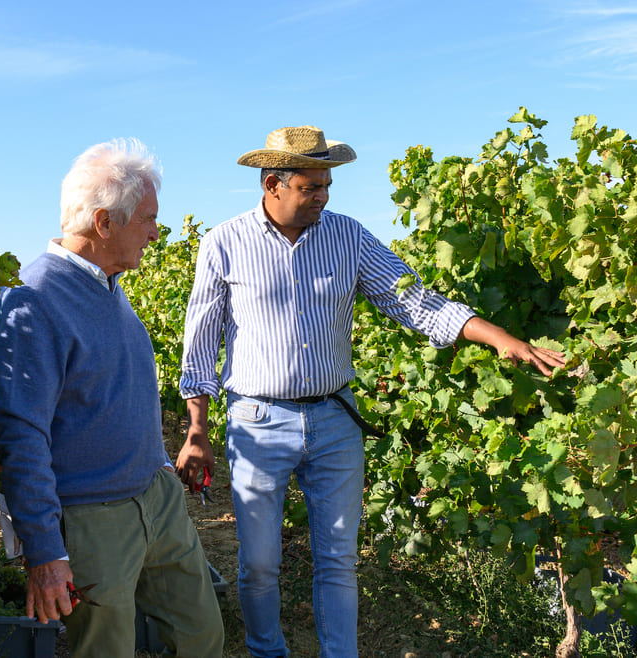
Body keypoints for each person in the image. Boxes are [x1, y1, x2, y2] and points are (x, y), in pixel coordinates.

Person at [175, 125, 566, 657]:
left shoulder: (348, 236)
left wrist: (498, 338)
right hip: (257, 421)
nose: (323, 197)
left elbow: (414, 301)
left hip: (336, 419)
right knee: (260, 561)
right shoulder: (224, 243)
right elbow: (200, 340)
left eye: (327, 185)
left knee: (338, 557)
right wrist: (197, 428)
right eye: (311, 187)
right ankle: (267, 650)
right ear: (273, 184)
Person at [0, 138, 224, 657]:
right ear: (103, 223)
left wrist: (159, 465)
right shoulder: (35, 298)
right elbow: (22, 433)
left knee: (201, 636)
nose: (156, 231)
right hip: (93, 520)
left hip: (156, 499)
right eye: (147, 218)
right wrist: (46, 552)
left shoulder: (108, 284)